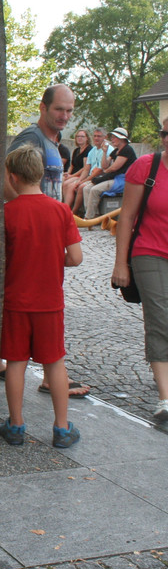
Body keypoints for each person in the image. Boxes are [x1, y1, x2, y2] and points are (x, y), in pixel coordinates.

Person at [0, 146, 82, 449]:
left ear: (13, 176)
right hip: (49, 302)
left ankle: (16, 425)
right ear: (41, 174)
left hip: (16, 301)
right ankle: (61, 428)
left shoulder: (6, 212)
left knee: (16, 362)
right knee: (55, 363)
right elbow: (76, 257)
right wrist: (52, 259)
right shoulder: (61, 210)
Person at [111, 121, 168, 424]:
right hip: (150, 252)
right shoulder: (146, 166)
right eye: (166, 134)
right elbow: (127, 217)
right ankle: (165, 399)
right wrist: (121, 263)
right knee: (160, 319)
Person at [6, 84, 75, 202]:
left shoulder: (51, 141)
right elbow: (2, 177)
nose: (64, 116)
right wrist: (29, 209)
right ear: (43, 108)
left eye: (69, 111)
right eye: (58, 109)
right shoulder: (32, 137)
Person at [82, 127, 136, 220]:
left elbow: (114, 167)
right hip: (113, 178)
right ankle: (94, 215)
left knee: (95, 189)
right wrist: (104, 152)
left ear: (121, 139)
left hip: (122, 180)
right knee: (86, 188)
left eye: (114, 137)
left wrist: (104, 173)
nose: (112, 139)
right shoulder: (116, 150)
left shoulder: (127, 150)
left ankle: (88, 218)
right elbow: (105, 166)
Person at [60, 129, 93, 212]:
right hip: (73, 174)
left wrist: (72, 176)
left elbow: (85, 168)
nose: (79, 138)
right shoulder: (76, 150)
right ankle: (61, 204)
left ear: (87, 138)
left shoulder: (89, 150)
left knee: (68, 184)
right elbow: (72, 165)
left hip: (81, 175)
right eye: (78, 136)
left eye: (82, 136)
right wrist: (68, 173)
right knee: (62, 179)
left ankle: (67, 208)